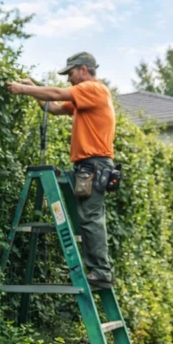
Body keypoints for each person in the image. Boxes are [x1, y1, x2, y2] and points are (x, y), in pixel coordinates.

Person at [7, 51, 117, 289]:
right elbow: (54, 107)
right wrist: (33, 89)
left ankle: (101, 272)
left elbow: (57, 94)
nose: (68, 79)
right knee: (87, 218)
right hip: (87, 166)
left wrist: (23, 89)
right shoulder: (85, 98)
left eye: (71, 73)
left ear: (84, 70)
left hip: (95, 165)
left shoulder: (94, 89)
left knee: (91, 219)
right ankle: (99, 270)